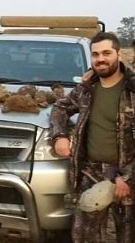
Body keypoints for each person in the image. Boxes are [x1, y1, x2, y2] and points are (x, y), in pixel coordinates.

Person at [50, 31, 135, 242]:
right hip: (91, 172)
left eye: (106, 53)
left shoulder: (132, 91)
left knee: (126, 235)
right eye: (95, 54)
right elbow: (60, 108)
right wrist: (59, 135)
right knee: (84, 235)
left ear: (119, 54)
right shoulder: (87, 88)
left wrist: (127, 178)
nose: (101, 59)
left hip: (126, 176)